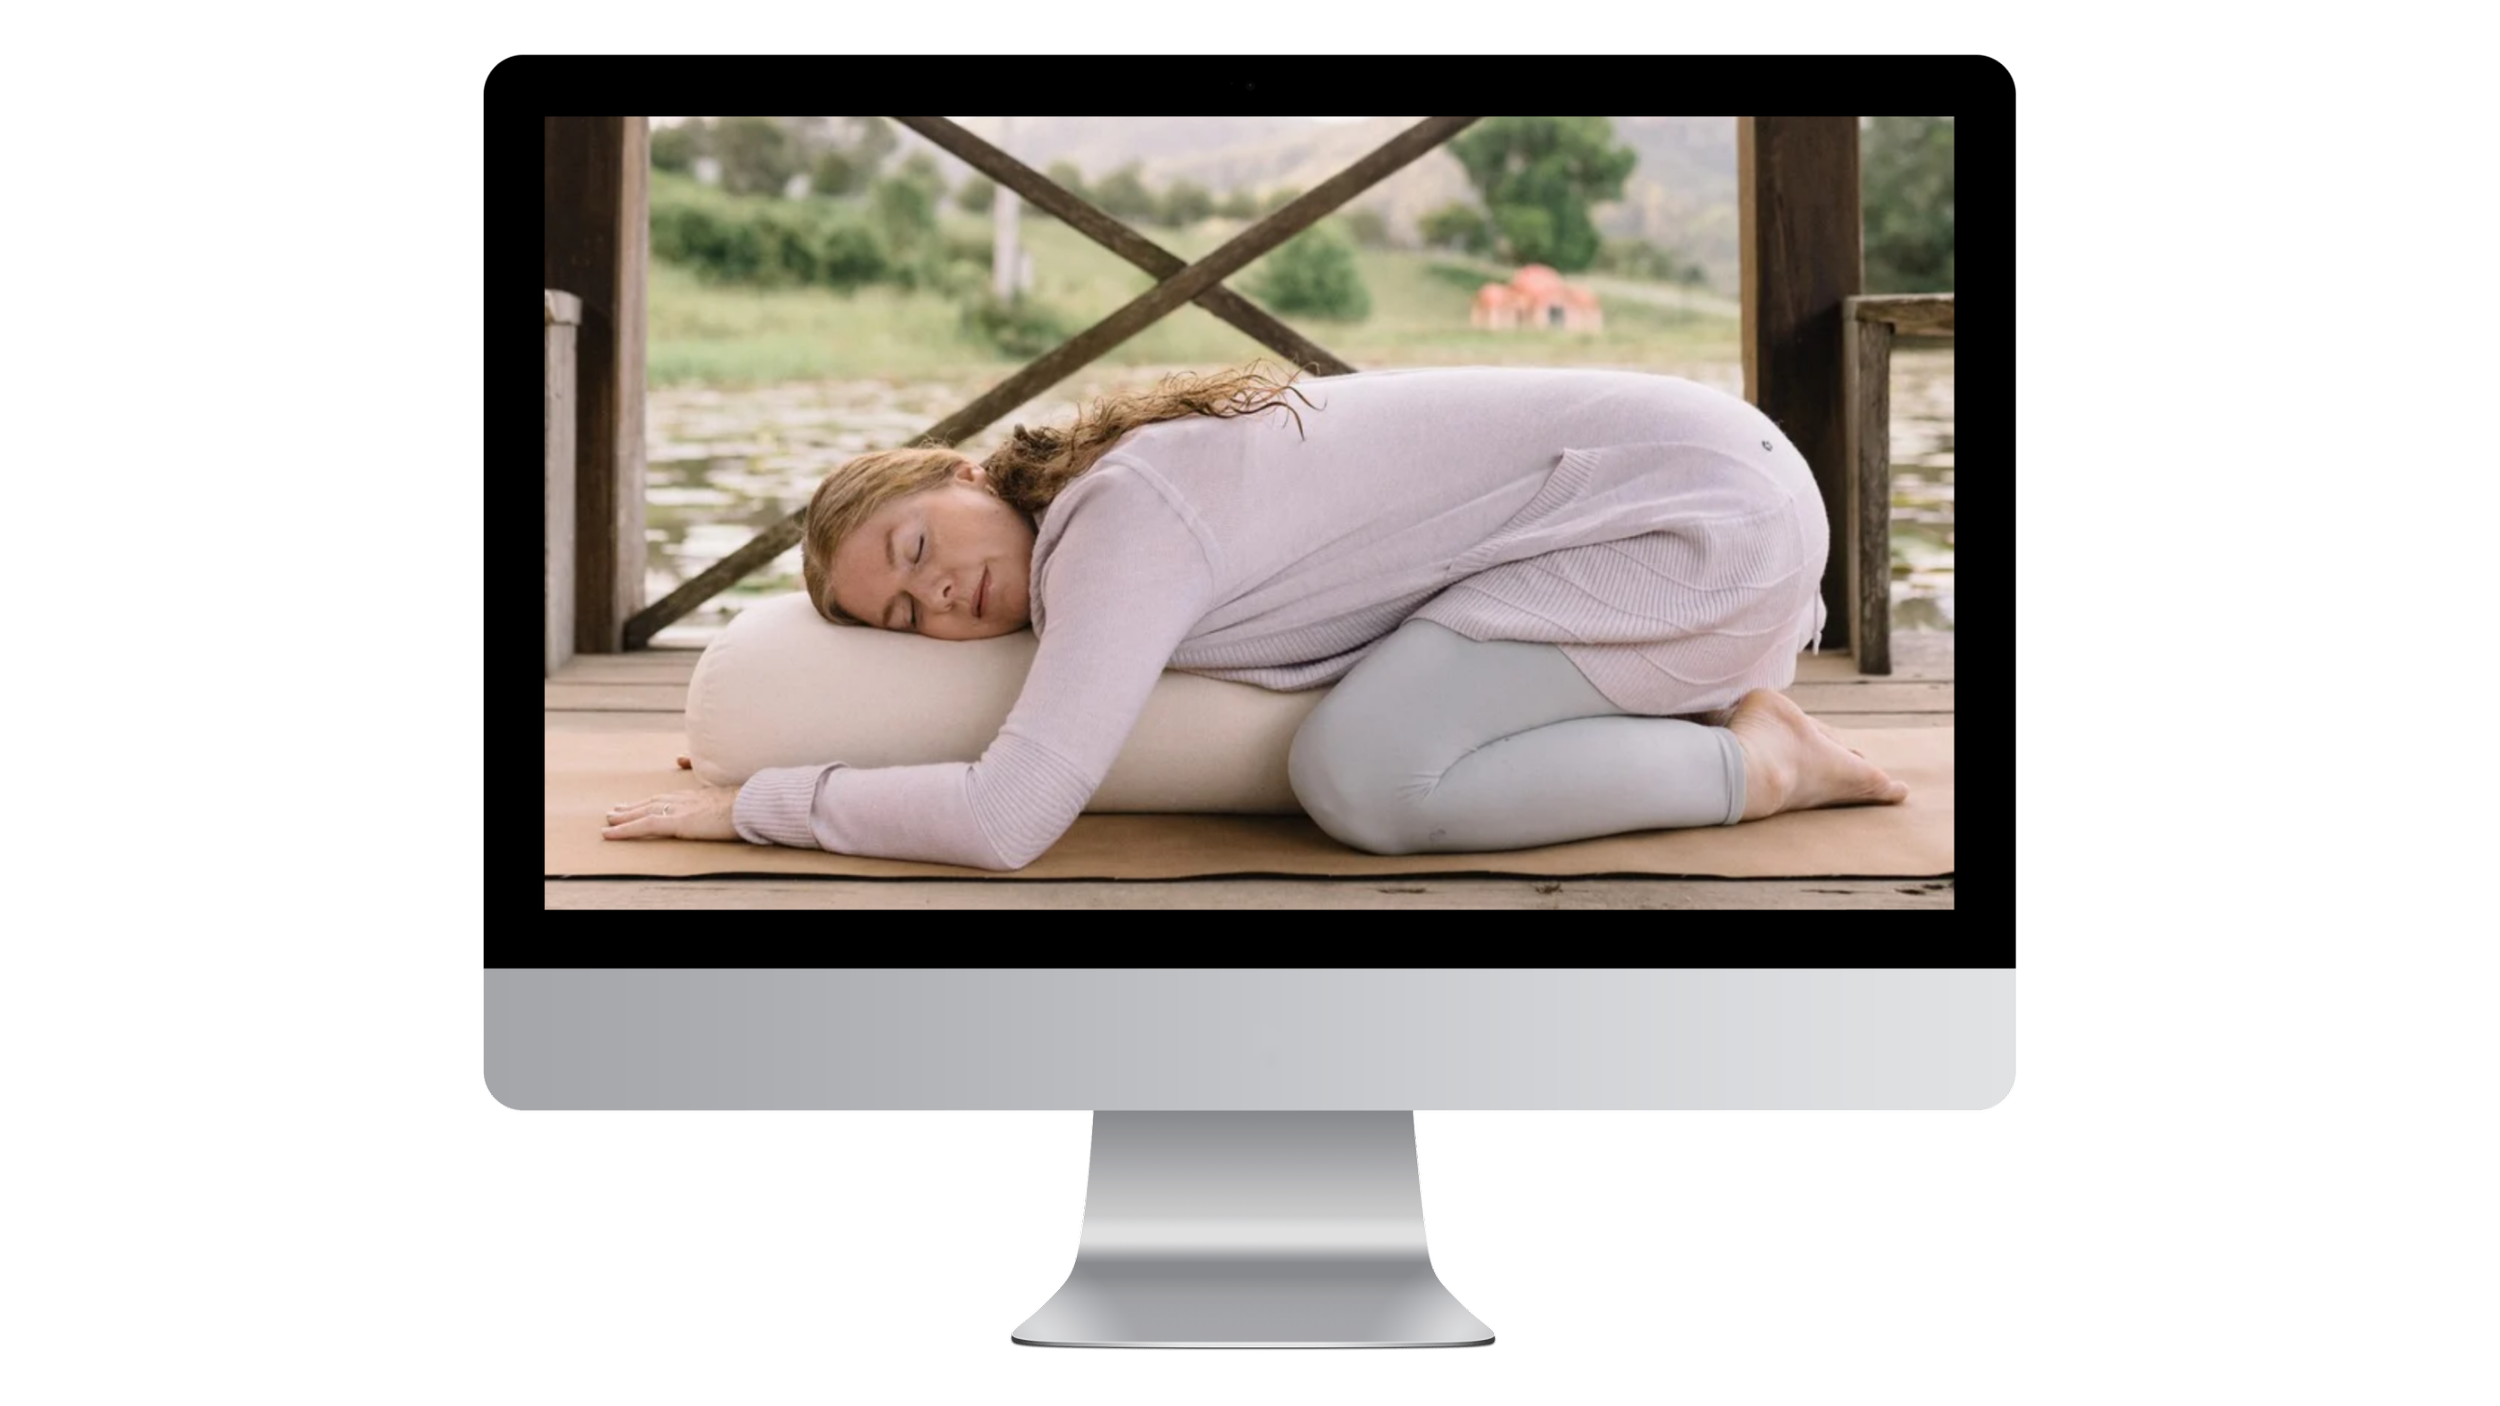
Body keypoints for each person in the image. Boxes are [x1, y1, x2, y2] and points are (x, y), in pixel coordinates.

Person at [603, 363, 1906, 869]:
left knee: (1366, 776)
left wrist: (756, 805)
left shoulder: (1120, 523)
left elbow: (1009, 820)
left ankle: (1763, 760)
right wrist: (803, 732)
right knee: (1385, 734)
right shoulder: (1117, 499)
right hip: (1717, 498)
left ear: (960, 471)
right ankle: (1731, 709)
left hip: (1692, 526)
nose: (934, 594)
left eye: (915, 547)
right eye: (896, 617)